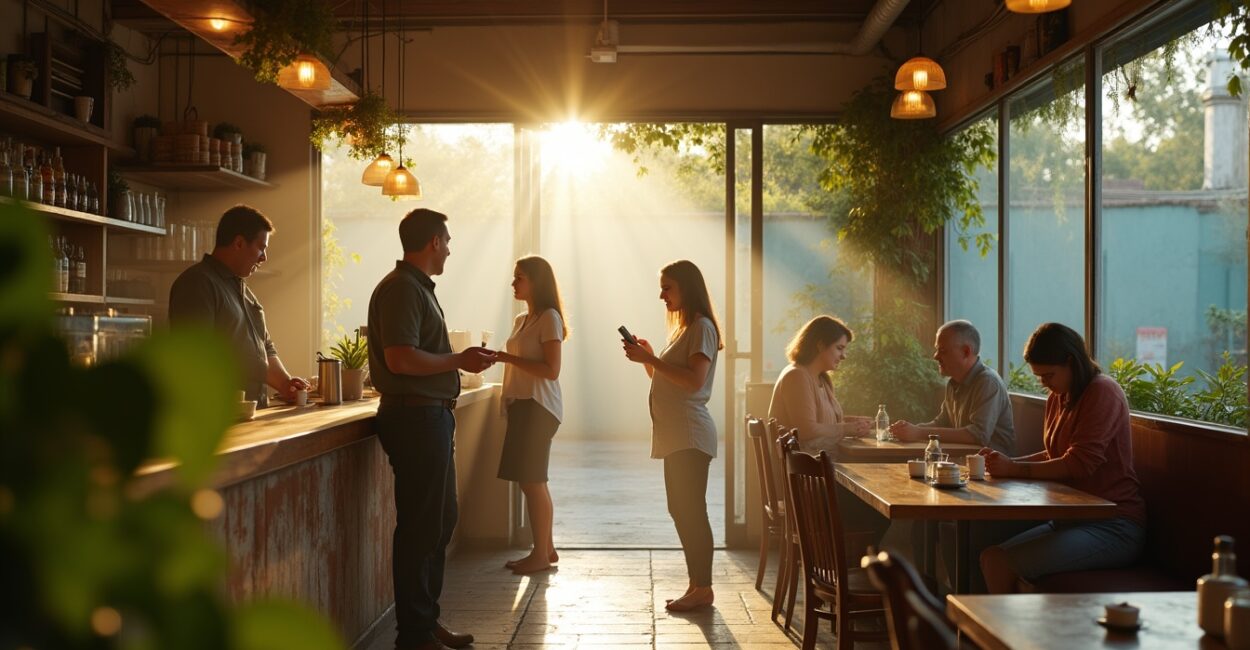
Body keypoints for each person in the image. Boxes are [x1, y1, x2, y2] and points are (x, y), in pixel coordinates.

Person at [366, 208, 496, 650]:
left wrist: (456, 364)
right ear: (434, 242)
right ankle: (415, 634)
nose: (451, 248)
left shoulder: (415, 287)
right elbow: (401, 358)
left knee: (440, 519)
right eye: (448, 240)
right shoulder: (403, 288)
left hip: (430, 416)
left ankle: (425, 622)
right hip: (416, 418)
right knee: (422, 525)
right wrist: (459, 360)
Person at [979, 322, 1146, 594]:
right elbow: (1055, 455)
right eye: (1039, 378)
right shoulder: (1060, 394)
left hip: (1114, 526)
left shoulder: (1102, 391)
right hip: (1070, 518)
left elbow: (1079, 462)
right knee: (990, 557)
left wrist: (1013, 468)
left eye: (1048, 375)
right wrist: (1005, 465)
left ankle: (1004, 636)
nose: (1044, 383)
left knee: (1000, 562)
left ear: (1071, 361)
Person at [622, 260, 722, 612]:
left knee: (691, 510)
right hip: (677, 435)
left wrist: (653, 360)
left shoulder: (702, 327)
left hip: (690, 434)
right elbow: (669, 380)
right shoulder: (684, 329)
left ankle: (703, 587)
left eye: (668, 287)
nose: (661, 294)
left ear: (686, 288)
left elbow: (693, 381)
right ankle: (697, 585)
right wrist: (649, 360)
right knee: (681, 509)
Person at [168, 204, 306, 403]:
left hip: (251, 415)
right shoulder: (197, 283)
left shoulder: (243, 290)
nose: (264, 257)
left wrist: (286, 385)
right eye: (261, 247)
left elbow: (265, 347)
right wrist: (259, 368)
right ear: (239, 243)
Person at [494, 255, 568, 575]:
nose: (513, 283)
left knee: (533, 480)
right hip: (523, 405)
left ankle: (541, 554)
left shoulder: (549, 317)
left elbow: (551, 370)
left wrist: (505, 357)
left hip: (539, 406)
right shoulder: (521, 320)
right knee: (529, 481)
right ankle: (545, 549)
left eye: (519, 277)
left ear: (536, 282)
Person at [889, 320, 1015, 455]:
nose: (935, 356)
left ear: (966, 352)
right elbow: (941, 423)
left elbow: (978, 435)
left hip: (991, 470)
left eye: (942, 350)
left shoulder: (988, 382)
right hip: (963, 463)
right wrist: (908, 429)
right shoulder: (953, 382)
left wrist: (918, 432)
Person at [767, 315, 872, 451]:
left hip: (818, 463)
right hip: (805, 468)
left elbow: (822, 423)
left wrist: (855, 424)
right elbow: (805, 430)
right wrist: (845, 429)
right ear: (821, 345)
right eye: (839, 348)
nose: (844, 356)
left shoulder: (822, 378)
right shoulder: (797, 376)